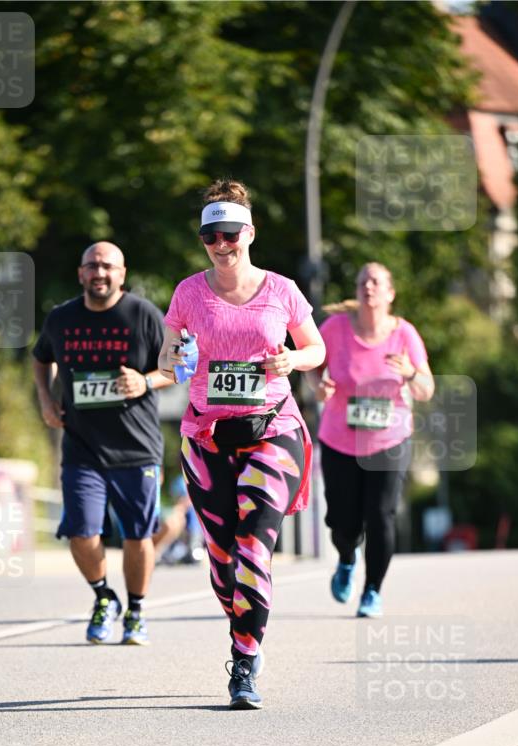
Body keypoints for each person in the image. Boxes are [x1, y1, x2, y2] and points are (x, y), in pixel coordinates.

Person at [159, 179, 325, 709]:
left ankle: (245, 661)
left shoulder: (281, 289)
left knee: (254, 544)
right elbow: (168, 357)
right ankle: (242, 623)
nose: (221, 245)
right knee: (224, 555)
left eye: (230, 233)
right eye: (211, 236)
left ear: (249, 233)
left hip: (273, 425)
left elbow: (315, 348)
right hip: (206, 435)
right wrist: (175, 357)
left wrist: (290, 361)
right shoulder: (188, 292)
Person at [32, 241, 171, 645]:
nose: (99, 273)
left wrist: (145, 380)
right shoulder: (62, 318)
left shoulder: (143, 315)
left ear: (122, 274)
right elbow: (41, 358)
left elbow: (181, 365)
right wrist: (45, 399)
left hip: (136, 447)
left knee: (137, 536)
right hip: (82, 446)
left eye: (107, 266)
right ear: (81, 274)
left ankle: (137, 611)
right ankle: (102, 596)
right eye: (91, 266)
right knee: (80, 532)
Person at [307, 262, 435, 618]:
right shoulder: (334, 329)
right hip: (339, 439)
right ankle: (348, 557)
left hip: (389, 440)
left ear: (390, 293)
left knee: (381, 516)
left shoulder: (404, 334)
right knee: (342, 521)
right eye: (363, 281)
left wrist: (410, 373)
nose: (369, 287)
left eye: (377, 282)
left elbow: (426, 389)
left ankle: (372, 591)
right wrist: (320, 386)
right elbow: (313, 368)